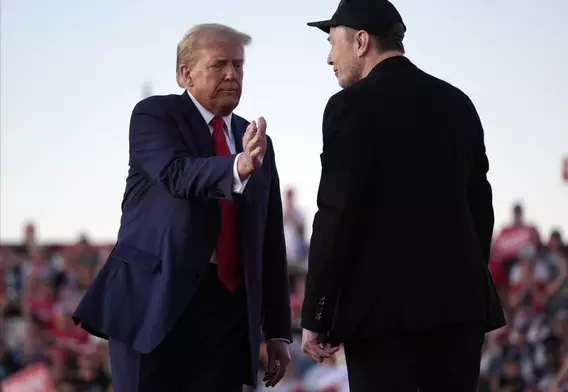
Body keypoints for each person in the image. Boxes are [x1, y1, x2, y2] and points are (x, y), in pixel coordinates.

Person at [72, 24, 292, 392]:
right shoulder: (155, 116)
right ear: (184, 74)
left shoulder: (255, 142)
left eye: (239, 66)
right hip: (154, 305)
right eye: (219, 64)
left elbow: (269, 242)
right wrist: (236, 167)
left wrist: (279, 333)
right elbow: (177, 173)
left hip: (227, 314)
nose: (231, 75)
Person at [300, 1, 505, 391]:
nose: (329, 57)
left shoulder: (350, 107)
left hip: (382, 319)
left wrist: (317, 314)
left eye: (332, 43)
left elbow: (337, 213)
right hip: (460, 309)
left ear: (360, 41)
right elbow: (481, 209)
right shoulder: (457, 103)